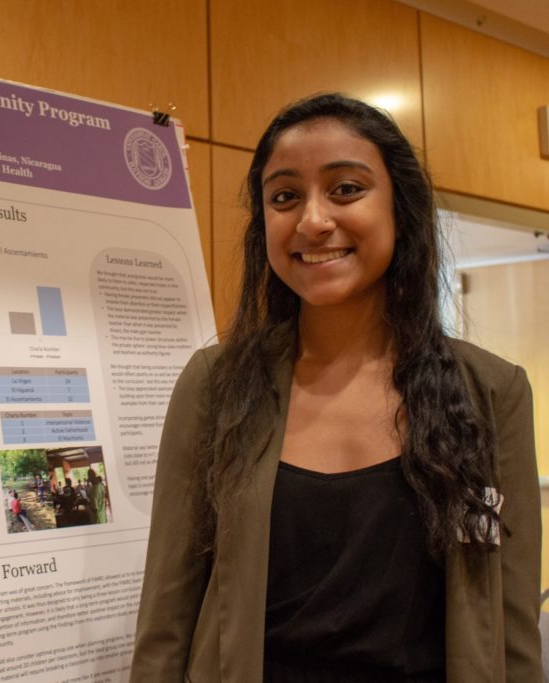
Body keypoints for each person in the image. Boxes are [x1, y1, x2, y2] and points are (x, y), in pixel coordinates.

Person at [130, 93, 540, 682]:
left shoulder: (492, 392)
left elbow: (512, 623)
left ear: (401, 209)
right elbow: (166, 621)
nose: (313, 220)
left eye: (346, 189)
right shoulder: (215, 387)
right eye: (284, 196)